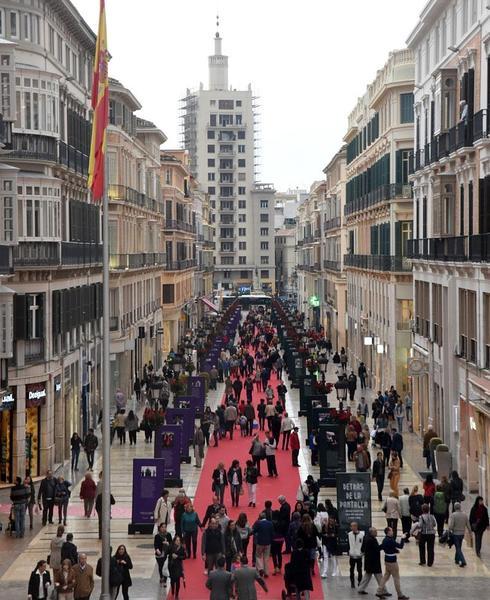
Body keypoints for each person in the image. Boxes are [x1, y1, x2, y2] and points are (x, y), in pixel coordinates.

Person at [376, 526, 409, 600]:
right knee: (396, 578)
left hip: (387, 560)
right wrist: (403, 538)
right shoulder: (391, 540)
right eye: (391, 530)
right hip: (392, 562)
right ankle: (400, 595)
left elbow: (382, 547)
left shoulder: (385, 540)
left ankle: (379, 591)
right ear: (388, 532)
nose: (392, 531)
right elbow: (400, 546)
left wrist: (394, 550)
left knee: (385, 577)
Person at [357, 527, 389, 596]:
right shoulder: (372, 540)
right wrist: (384, 545)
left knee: (367, 577)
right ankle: (384, 591)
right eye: (375, 531)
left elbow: (362, 549)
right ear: (372, 532)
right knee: (379, 577)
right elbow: (377, 549)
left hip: (368, 562)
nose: (377, 533)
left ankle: (361, 589)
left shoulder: (366, 538)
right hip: (374, 562)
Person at [448, 502, 471, 567]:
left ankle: (463, 561)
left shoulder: (453, 515)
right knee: (459, 547)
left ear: (454, 508)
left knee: (458, 548)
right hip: (462, 534)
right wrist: (470, 532)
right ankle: (457, 559)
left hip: (455, 534)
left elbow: (451, 526)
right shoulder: (464, 515)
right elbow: (468, 525)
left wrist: (449, 530)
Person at [253, 512, 274, 577]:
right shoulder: (270, 523)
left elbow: (254, 530)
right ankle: (266, 572)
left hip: (260, 542)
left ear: (260, 517)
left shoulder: (258, 523)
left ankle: (260, 568)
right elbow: (272, 533)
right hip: (268, 543)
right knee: (266, 558)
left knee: (258, 556)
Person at [348, 521, 364, 589]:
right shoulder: (349, 534)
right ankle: (352, 582)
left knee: (359, 569)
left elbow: (363, 544)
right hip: (352, 555)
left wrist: (362, 552)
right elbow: (348, 544)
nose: (353, 528)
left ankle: (360, 581)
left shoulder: (362, 534)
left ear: (357, 527)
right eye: (352, 526)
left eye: (354, 526)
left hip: (359, 555)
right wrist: (348, 551)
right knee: (351, 569)